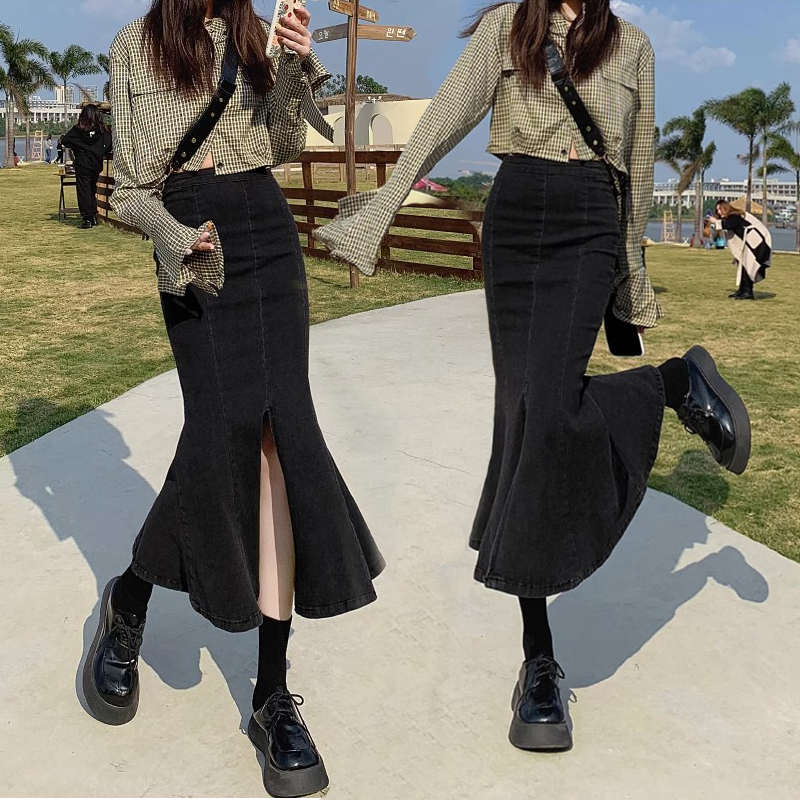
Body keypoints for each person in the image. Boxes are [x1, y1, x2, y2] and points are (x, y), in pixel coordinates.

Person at [314, 0, 752, 753]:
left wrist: (633, 279)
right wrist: (383, 205)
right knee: (522, 422)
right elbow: (445, 117)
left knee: (548, 412)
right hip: (516, 215)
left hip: (589, 220)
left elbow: (637, 168)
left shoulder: (633, 45)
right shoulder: (508, 27)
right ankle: (539, 658)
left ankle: (673, 384)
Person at [83, 1, 383, 796]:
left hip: (268, 235)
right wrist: (177, 240)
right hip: (190, 237)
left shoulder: (255, 35)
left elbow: (284, 145)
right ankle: (129, 600)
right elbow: (130, 191)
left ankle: (270, 695)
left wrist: (292, 63)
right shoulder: (138, 44)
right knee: (221, 434)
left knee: (282, 439)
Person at [707, 200, 771, 300]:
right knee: (743, 265)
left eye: (720, 209)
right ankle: (743, 290)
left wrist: (715, 221)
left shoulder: (735, 216)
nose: (719, 212)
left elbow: (729, 225)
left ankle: (747, 292)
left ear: (726, 208)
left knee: (749, 266)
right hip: (752, 242)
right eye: (717, 210)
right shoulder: (735, 216)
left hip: (756, 243)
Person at [61, 105, 112, 228]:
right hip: (96, 163)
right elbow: (109, 144)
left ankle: (87, 218)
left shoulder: (78, 130)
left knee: (83, 190)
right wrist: (99, 151)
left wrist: (78, 147)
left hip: (83, 162)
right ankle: (93, 215)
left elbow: (65, 140)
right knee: (92, 189)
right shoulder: (102, 131)